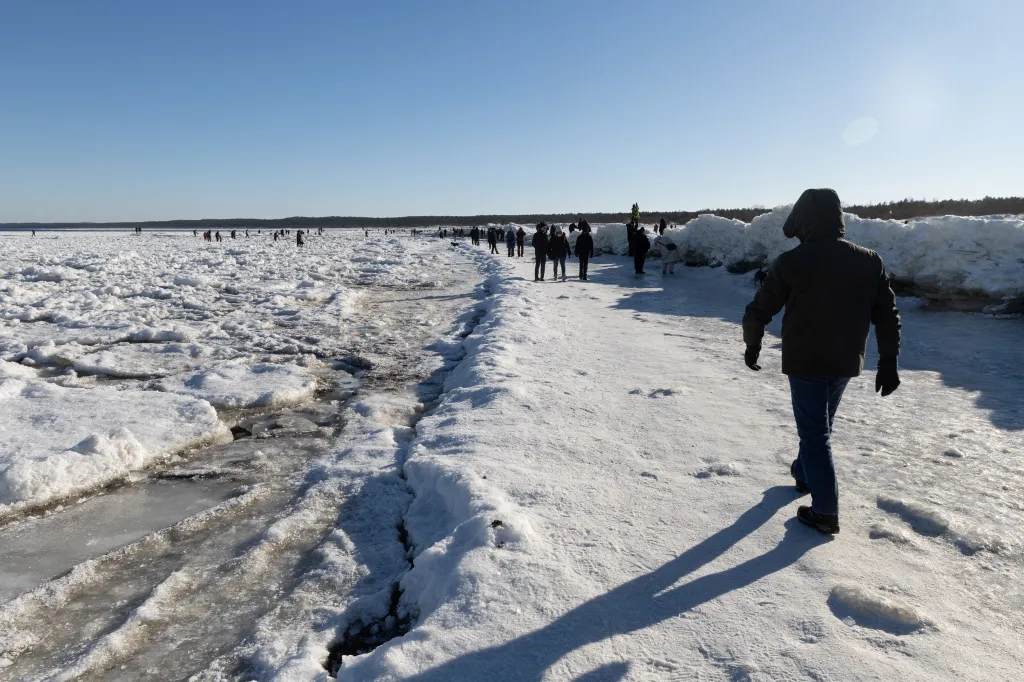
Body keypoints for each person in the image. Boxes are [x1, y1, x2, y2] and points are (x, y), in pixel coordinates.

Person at [742, 188, 902, 536]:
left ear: (805, 221)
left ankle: (826, 512)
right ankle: (804, 473)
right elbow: (887, 315)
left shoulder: (792, 262)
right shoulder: (869, 260)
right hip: (845, 361)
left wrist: (752, 345)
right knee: (819, 425)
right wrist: (888, 362)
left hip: (806, 362)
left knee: (816, 433)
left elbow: (760, 309)